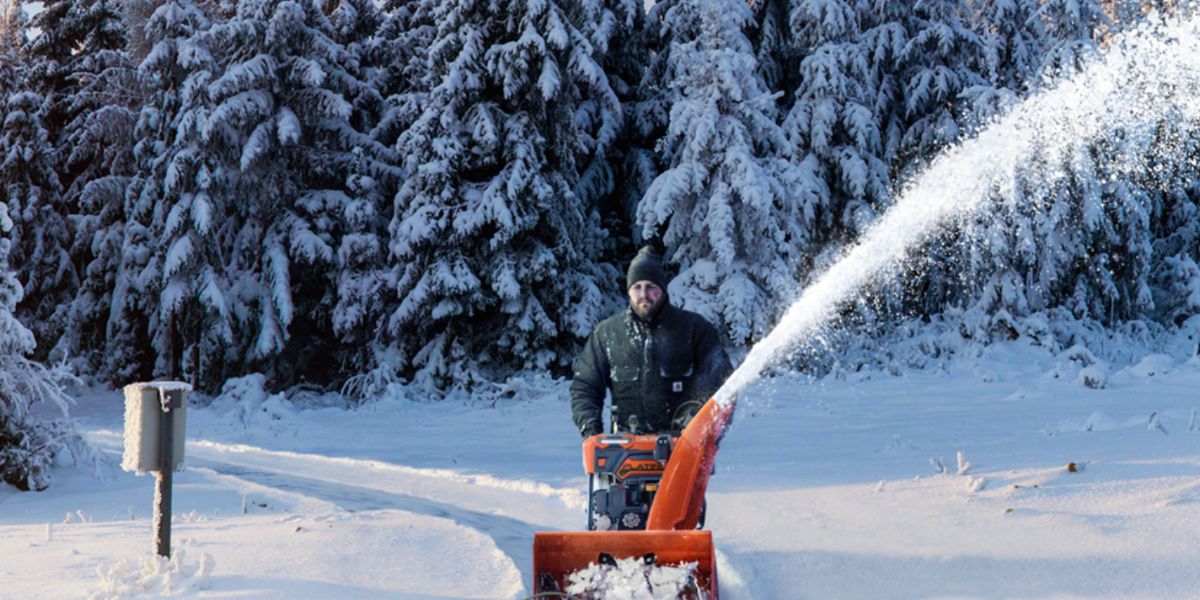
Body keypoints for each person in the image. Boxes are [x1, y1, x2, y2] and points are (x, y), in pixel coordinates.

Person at [570, 246, 733, 437]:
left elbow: (722, 382)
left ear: (663, 290)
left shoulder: (694, 329)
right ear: (629, 291)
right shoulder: (608, 334)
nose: (644, 294)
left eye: (651, 287)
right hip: (625, 452)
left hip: (684, 450)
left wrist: (696, 420)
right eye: (637, 287)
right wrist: (590, 428)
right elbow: (585, 386)